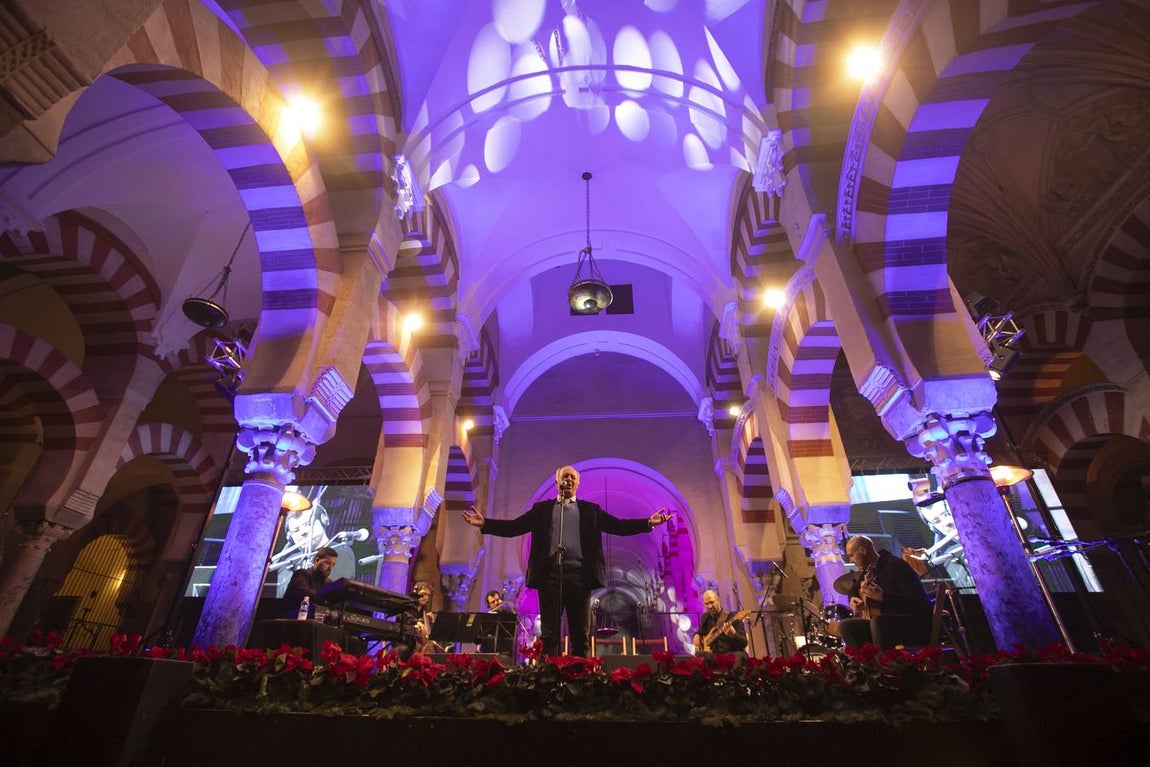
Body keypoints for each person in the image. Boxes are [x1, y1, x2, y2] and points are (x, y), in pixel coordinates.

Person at [462, 465, 671, 657]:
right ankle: (549, 680)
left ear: (578, 483)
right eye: (565, 477)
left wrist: (647, 523)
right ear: (557, 482)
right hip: (549, 577)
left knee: (580, 634)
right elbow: (514, 527)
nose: (569, 480)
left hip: (580, 577)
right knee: (549, 635)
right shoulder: (541, 510)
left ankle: (579, 680)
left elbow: (619, 526)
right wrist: (485, 524)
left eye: (572, 477)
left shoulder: (591, 510)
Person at [838, 535, 932, 649]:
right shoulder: (869, 570)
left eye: (852, 555)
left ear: (863, 551)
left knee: (878, 622)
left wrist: (884, 598)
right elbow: (854, 588)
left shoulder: (896, 566)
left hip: (914, 623)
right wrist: (852, 597)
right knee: (846, 626)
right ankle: (864, 663)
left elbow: (918, 601)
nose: (851, 561)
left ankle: (884, 663)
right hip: (887, 624)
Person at [269, 502, 355, 595]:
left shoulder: (341, 551)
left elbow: (330, 593)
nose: (303, 532)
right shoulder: (289, 561)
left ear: (323, 521)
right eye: (296, 530)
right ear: (291, 538)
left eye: (307, 524)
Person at [280, 547, 339, 618]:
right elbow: (306, 594)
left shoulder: (328, 583)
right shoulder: (301, 574)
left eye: (333, 565)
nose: (330, 568)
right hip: (290, 619)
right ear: (317, 560)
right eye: (327, 563)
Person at [693, 590, 747, 655]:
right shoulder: (705, 617)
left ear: (718, 601)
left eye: (712, 602)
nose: (710, 606)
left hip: (730, 653)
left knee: (739, 656)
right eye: (706, 604)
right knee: (697, 656)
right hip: (713, 655)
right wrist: (696, 634)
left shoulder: (733, 617)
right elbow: (701, 631)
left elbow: (744, 642)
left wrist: (734, 634)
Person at [477, 590, 515, 655]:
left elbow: (512, 630)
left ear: (500, 600)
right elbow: (479, 638)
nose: (496, 603)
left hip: (504, 650)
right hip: (488, 650)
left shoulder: (509, 614)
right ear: (489, 605)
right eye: (492, 602)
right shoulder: (486, 617)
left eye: (497, 600)